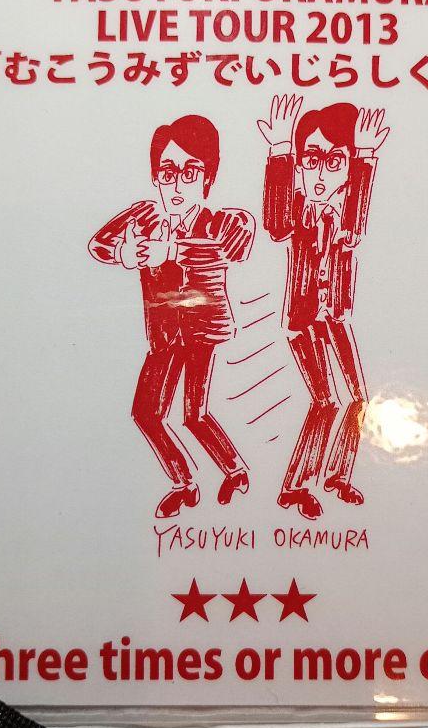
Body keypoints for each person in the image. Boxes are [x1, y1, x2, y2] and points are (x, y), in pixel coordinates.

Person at [89, 115, 254, 519]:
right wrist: (124, 253)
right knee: (146, 413)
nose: (177, 185)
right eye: (167, 173)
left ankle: (235, 472)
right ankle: (185, 483)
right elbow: (98, 243)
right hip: (163, 333)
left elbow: (231, 247)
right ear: (156, 177)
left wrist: (173, 250)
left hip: (201, 330)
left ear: (208, 178)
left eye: (190, 173)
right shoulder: (144, 215)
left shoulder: (221, 220)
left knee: (194, 414)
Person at [258, 94, 389, 521]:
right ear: (299, 164)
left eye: (335, 162)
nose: (320, 173)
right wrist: (280, 150)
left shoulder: (344, 215)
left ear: (348, 170)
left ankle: (337, 475)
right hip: (303, 320)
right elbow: (275, 224)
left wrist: (365, 157)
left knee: (358, 398)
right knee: (325, 401)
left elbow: (354, 229)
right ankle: (295, 487)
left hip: (334, 316)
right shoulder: (296, 209)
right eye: (311, 159)